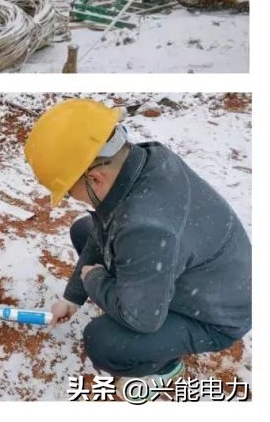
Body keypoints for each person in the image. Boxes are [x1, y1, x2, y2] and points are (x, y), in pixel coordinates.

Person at [24, 99, 252, 403]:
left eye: (67, 191)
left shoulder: (145, 226)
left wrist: (94, 280)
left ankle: (164, 367)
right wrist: (73, 296)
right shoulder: (143, 160)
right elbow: (104, 229)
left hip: (216, 315)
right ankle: (140, 298)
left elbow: (143, 319)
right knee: (84, 230)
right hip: (199, 273)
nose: (69, 198)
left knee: (104, 343)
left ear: (95, 178)